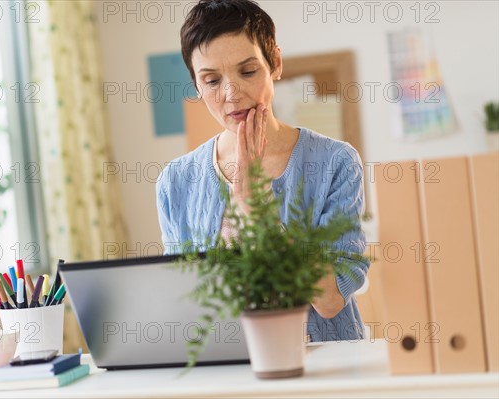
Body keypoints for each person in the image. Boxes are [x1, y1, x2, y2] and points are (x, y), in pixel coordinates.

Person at [156, 0, 369, 342]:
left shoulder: (335, 162)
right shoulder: (176, 181)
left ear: (276, 64)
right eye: (211, 80)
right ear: (196, 85)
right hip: (226, 376)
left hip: (324, 371)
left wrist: (257, 207)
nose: (231, 94)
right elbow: (184, 304)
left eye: (248, 71)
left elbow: (330, 300)